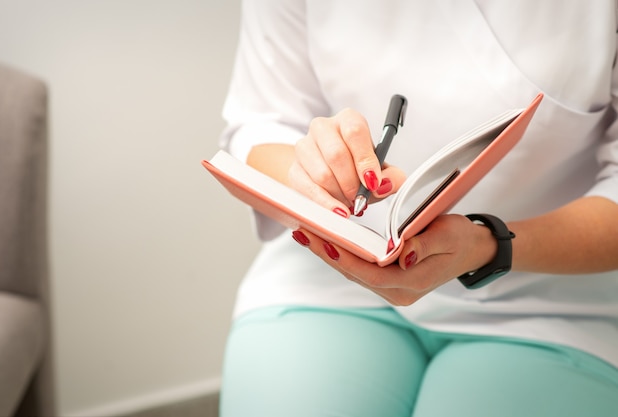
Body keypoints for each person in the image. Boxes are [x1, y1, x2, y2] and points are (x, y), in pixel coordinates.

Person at [216, 1, 618, 416]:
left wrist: (486, 244)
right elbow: (261, 124)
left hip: (552, 298)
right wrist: (314, 179)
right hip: (332, 277)